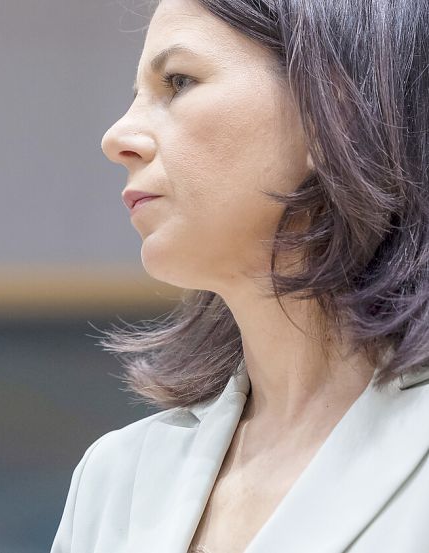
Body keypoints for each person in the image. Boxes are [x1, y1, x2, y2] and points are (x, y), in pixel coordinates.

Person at [52, 0, 429, 551]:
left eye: (178, 81)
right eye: (136, 96)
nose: (117, 137)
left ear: (336, 108)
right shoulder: (115, 479)